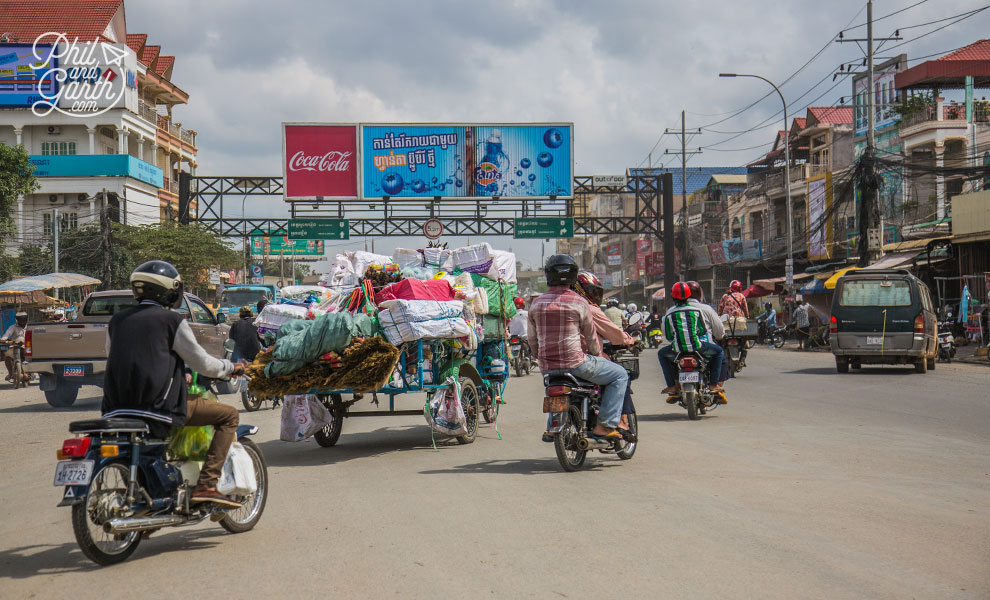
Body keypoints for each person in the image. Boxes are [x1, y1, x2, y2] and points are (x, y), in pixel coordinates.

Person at [102, 261, 246, 508]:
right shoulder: (171, 321)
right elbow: (204, 364)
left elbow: (112, 357)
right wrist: (231, 367)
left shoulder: (117, 321)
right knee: (230, 416)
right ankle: (207, 485)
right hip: (159, 408)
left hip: (116, 410)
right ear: (170, 290)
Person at [529, 255, 628, 440]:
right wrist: (597, 355)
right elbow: (591, 337)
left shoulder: (536, 304)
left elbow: (532, 340)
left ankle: (553, 426)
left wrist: (539, 357)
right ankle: (605, 425)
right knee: (620, 375)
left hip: (547, 368)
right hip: (577, 363)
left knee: (555, 385)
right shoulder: (579, 302)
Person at [572, 271, 637, 440]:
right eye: (592, 291)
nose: (595, 296)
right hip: (583, 359)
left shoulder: (555, 306)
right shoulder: (589, 309)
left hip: (552, 362)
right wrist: (629, 340)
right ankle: (615, 422)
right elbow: (613, 333)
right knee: (621, 375)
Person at [658, 282, 726, 402]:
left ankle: (672, 386)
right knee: (719, 352)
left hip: (677, 349)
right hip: (698, 347)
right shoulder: (697, 311)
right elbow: (702, 329)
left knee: (662, 354)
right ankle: (714, 384)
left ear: (673, 297)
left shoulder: (670, 313)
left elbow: (668, 336)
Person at [1, 311, 28, 383]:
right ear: (17, 319)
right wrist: (3, 339)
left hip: (26, 347)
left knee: (30, 358)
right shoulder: (13, 327)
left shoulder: (30, 327)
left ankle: (30, 373)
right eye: (20, 319)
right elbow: (7, 334)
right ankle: (10, 373)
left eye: (24, 319)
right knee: (7, 357)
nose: (22, 321)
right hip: (15, 346)